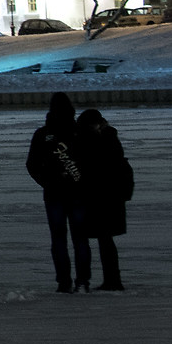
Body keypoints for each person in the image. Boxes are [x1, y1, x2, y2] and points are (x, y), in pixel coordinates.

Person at [25, 92, 85, 293]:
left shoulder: (43, 134)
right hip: (78, 193)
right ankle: (82, 280)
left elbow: (32, 164)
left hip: (54, 194)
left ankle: (64, 281)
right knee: (80, 239)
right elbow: (91, 162)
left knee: (59, 239)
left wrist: (46, 182)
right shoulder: (79, 132)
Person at [71, 107, 134, 291]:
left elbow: (87, 165)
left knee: (101, 238)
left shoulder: (89, 140)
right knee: (106, 239)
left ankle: (110, 280)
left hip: (98, 195)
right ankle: (112, 279)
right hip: (111, 196)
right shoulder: (110, 138)